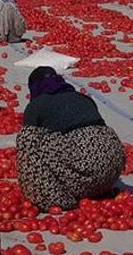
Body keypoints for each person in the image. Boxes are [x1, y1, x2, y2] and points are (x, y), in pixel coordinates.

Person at [16, 67, 126, 211]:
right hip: (112, 170)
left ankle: (54, 199)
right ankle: (96, 190)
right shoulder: (83, 98)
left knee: (27, 137)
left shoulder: (36, 105)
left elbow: (30, 142)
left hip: (86, 169)